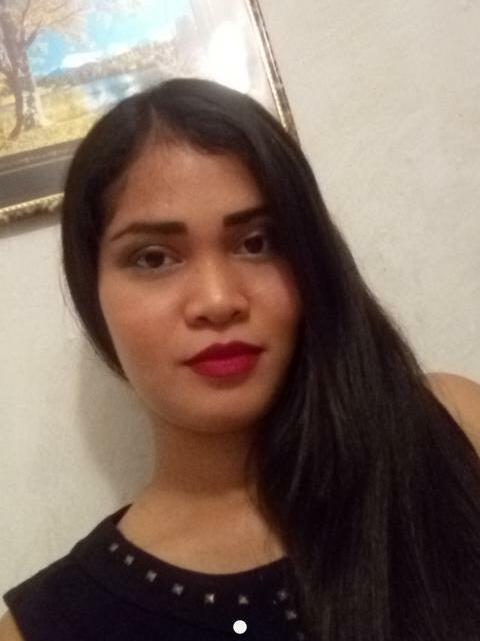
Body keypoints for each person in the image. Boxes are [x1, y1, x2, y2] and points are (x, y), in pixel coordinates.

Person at [1, 78, 480, 641]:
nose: (218, 300)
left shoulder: (456, 426)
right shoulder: (45, 627)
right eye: (153, 258)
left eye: (257, 243)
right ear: (93, 293)